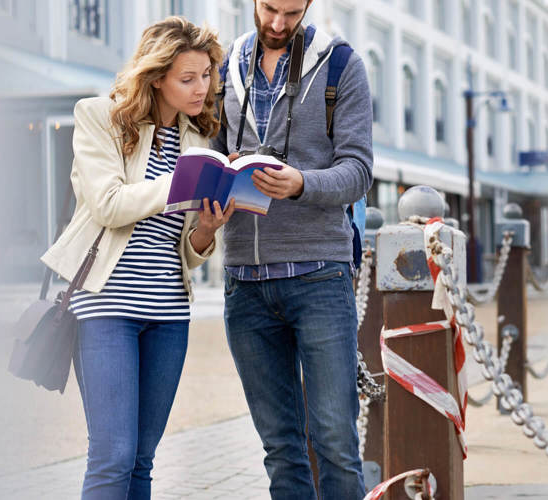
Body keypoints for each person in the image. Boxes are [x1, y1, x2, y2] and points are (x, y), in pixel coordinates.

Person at [40, 17, 234, 499]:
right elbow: (107, 205)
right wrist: (179, 184)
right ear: (156, 78)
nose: (200, 88)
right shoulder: (99, 117)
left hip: (169, 313)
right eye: (187, 78)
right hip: (107, 307)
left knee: (142, 462)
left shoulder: (195, 141)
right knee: (113, 457)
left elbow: (185, 250)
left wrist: (206, 232)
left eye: (206, 75)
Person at [211, 0, 373, 497]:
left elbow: (359, 171)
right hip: (246, 284)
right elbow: (208, 154)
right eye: (269, 9)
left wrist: (301, 182)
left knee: (336, 443)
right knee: (281, 448)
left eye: (292, 12)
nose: (279, 24)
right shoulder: (222, 69)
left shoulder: (342, 65)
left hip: (319, 276)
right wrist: (220, 175)